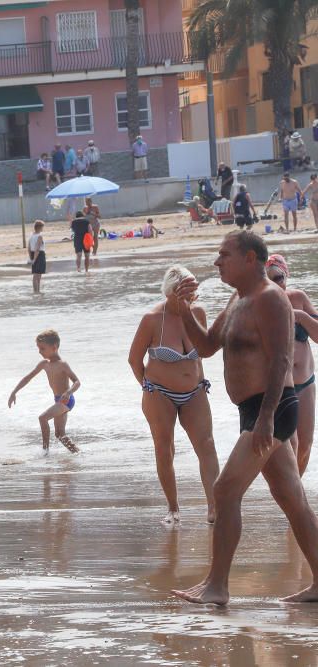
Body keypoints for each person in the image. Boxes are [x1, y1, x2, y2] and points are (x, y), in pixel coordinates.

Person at [172, 231, 318, 606]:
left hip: (273, 408)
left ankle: (217, 586)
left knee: (224, 490)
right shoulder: (239, 299)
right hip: (253, 410)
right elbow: (206, 345)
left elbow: (283, 359)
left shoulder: (270, 298)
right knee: (291, 497)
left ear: (250, 258)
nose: (217, 262)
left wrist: (267, 418)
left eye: (224, 255)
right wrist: (183, 309)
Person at [128, 265, 220, 525]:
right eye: (187, 289)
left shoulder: (198, 313)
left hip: (194, 390)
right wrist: (146, 385)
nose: (193, 294)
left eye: (194, 289)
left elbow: (203, 350)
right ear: (172, 291)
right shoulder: (152, 319)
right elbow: (134, 359)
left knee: (207, 445)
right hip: (159, 392)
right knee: (165, 448)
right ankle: (173, 507)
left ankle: (214, 506)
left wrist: (200, 381)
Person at [265, 254, 317, 475]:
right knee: (291, 443)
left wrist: (300, 316)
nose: (275, 284)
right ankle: (291, 495)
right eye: (268, 280)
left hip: (305, 382)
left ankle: (296, 496)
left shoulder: (298, 297)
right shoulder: (260, 304)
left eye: (278, 278)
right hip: (281, 387)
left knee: (305, 444)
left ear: (286, 275)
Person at [7, 329, 81, 453]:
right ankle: (77, 452)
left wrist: (68, 392)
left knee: (42, 418)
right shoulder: (44, 364)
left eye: (42, 348)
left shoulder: (62, 364)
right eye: (39, 348)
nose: (39, 351)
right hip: (58, 400)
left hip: (66, 401)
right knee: (59, 434)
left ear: (54, 347)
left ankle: (45, 451)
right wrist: (14, 392)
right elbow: (28, 377)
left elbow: (77, 382)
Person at [27, 220, 46, 295]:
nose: (43, 229)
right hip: (39, 254)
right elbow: (37, 248)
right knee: (37, 274)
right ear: (40, 227)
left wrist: (31, 258)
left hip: (32, 254)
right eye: (42, 227)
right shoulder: (40, 236)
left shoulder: (31, 235)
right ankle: (36, 291)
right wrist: (34, 259)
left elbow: (28, 248)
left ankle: (37, 291)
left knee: (36, 273)